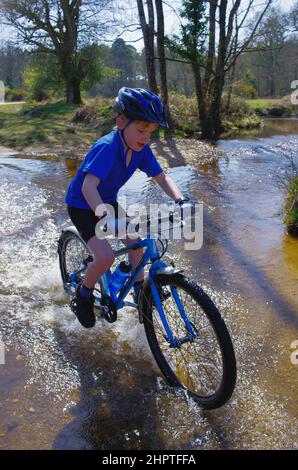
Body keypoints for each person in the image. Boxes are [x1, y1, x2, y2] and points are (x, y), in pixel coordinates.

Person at [65, 87, 188, 328]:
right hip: (82, 204)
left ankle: (140, 291)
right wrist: (105, 218)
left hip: (107, 200)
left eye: (151, 132)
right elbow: (89, 187)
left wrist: (181, 201)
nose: (145, 137)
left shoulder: (141, 150)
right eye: (141, 130)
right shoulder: (107, 148)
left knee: (136, 242)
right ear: (121, 122)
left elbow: (162, 178)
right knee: (106, 257)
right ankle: (84, 293)